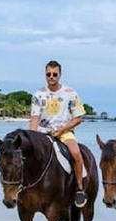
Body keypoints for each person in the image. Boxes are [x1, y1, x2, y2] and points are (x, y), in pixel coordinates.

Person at [30, 60, 88, 207]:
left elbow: (78, 118)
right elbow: (35, 118)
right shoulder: (38, 95)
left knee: (75, 153)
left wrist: (61, 130)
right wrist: (31, 137)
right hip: (43, 133)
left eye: (54, 74)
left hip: (64, 132)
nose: (51, 77)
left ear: (60, 75)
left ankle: (79, 188)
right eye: (48, 74)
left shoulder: (70, 93)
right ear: (45, 75)